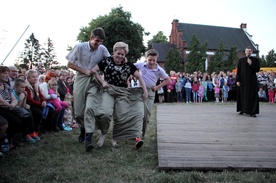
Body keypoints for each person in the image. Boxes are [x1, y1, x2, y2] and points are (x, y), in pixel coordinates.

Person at [92, 41, 148, 149]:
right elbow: (94, 70)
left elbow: (139, 77)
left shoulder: (128, 65)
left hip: (122, 92)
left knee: (120, 116)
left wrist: (145, 90)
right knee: (105, 113)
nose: (120, 56)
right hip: (109, 90)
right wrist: (102, 82)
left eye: (123, 54)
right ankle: (103, 133)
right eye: (118, 53)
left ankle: (115, 138)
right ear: (114, 52)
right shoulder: (106, 61)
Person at [66, 27, 110, 147]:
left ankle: (88, 137)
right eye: (96, 41)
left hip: (95, 80)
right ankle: (83, 129)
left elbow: (109, 62)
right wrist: (84, 71)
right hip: (81, 77)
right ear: (91, 38)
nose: (98, 44)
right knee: (79, 112)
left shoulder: (102, 49)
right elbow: (69, 64)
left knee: (90, 108)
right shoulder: (80, 47)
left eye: (100, 41)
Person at [134, 49, 171, 137]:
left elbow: (168, 80)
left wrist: (157, 87)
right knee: (138, 114)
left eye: (154, 60)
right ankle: (136, 134)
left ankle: (142, 134)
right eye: (150, 60)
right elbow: (130, 67)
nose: (151, 62)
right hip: (140, 91)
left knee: (146, 115)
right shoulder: (141, 65)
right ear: (146, 58)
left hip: (150, 92)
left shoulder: (159, 69)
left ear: (156, 60)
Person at [236, 46, 260, 117]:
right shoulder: (241, 60)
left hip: (252, 81)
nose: (248, 52)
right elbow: (239, 71)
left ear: (251, 52)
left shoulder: (255, 60)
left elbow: (257, 69)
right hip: (243, 81)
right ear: (245, 52)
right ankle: (242, 109)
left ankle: (252, 112)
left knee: (252, 96)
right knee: (243, 95)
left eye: (249, 51)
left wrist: (251, 64)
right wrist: (238, 80)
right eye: (247, 51)